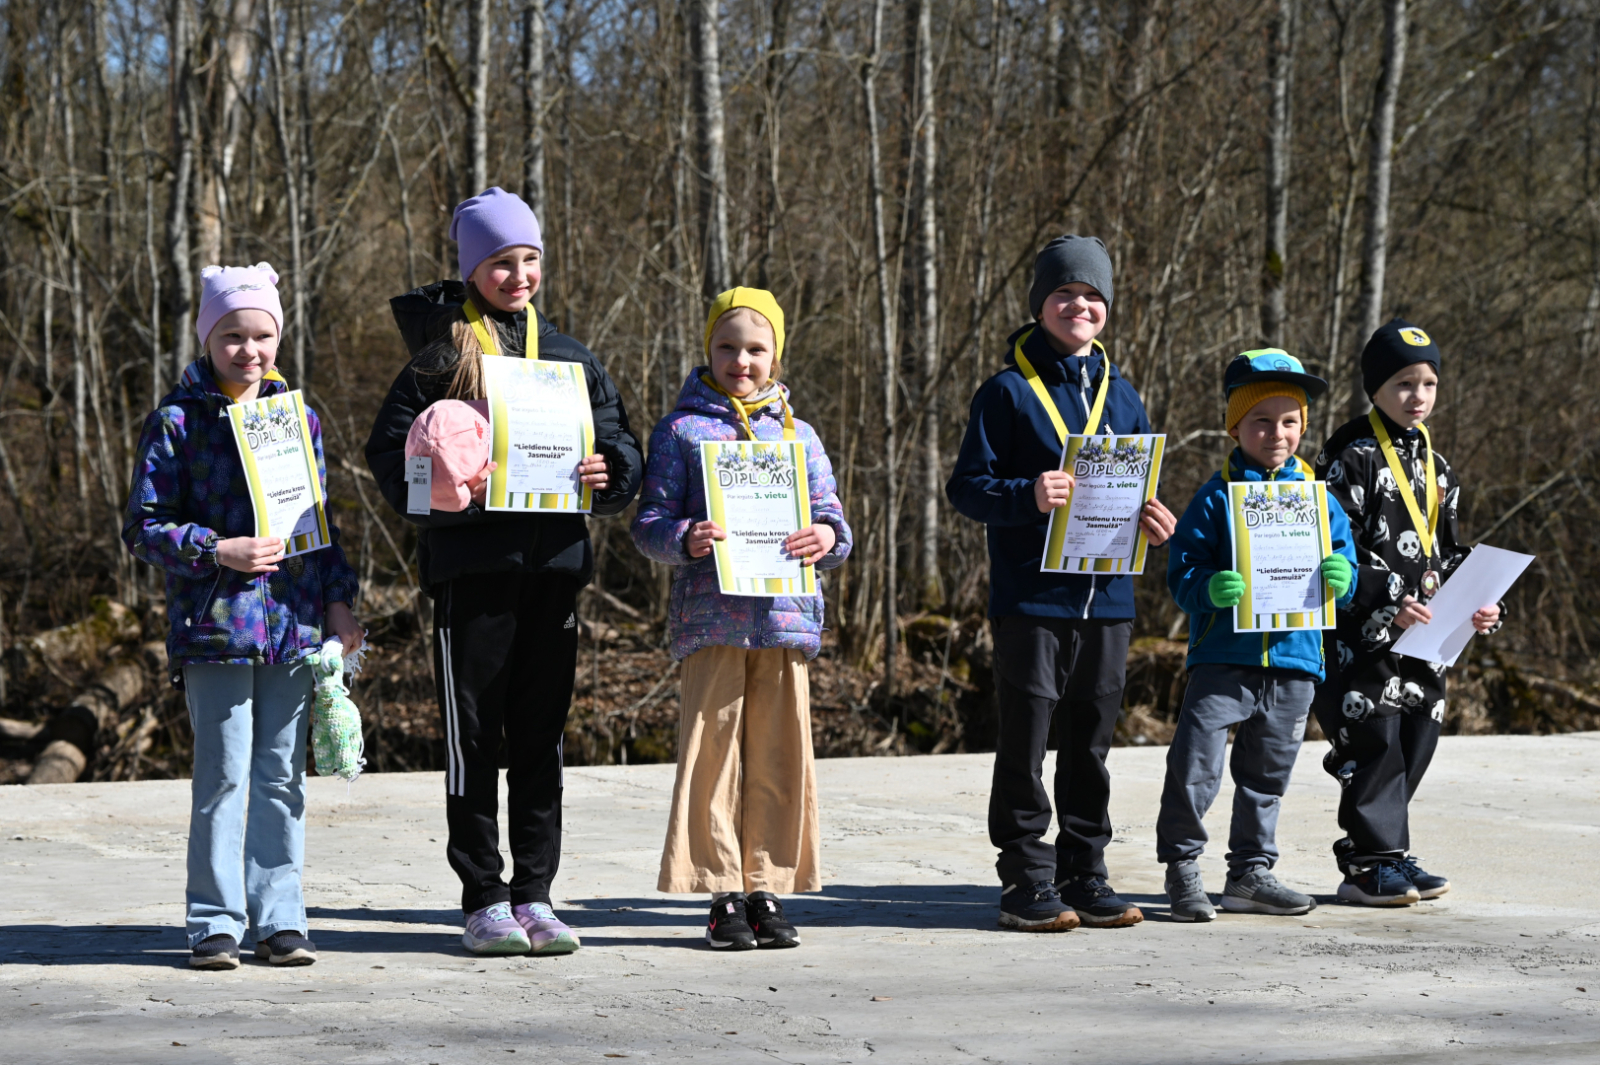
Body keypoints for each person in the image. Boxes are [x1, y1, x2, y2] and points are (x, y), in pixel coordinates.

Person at [364, 187, 642, 955]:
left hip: (553, 570)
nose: (517, 275)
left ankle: (537, 895)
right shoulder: (443, 356)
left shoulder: (570, 358)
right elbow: (390, 458)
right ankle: (483, 896)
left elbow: (624, 447)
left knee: (542, 739)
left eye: (529, 260)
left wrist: (607, 469)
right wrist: (448, 490)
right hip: (472, 572)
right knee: (475, 737)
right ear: (471, 270)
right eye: (500, 263)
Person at [123, 262, 364, 970]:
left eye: (262, 335)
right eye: (233, 335)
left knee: (283, 775)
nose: (249, 349)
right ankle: (214, 921)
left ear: (279, 339)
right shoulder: (175, 419)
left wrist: (340, 606)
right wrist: (214, 549)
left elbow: (322, 527)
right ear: (208, 337)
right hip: (214, 629)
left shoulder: (301, 420)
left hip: (291, 629)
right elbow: (143, 526)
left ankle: (281, 917)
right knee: (223, 774)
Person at [946, 236, 1178, 932]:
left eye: (1093, 296)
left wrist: (1153, 519)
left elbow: (1136, 488)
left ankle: (1086, 870)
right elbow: (967, 489)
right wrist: (1027, 493)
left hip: (1108, 596)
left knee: (1091, 742)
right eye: (1065, 294)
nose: (1080, 305)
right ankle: (1024, 876)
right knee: (1027, 738)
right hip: (1033, 598)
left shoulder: (1125, 395)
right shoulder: (1007, 392)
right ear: (1041, 305)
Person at [630, 287, 852, 950]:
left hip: (784, 622)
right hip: (712, 622)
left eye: (756, 349)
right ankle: (721, 889)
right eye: (726, 347)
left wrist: (827, 537)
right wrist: (686, 537)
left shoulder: (800, 435)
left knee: (779, 757)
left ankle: (767, 886)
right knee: (713, 758)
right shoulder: (680, 430)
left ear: (777, 354)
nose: (741, 361)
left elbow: (833, 521)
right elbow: (648, 525)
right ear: (708, 349)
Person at [1158, 351, 1358, 921]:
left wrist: (1343, 580)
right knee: (1195, 765)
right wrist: (1207, 588)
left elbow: (1342, 564)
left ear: (1303, 427)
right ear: (1236, 427)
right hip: (1225, 655)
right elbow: (1183, 572)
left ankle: (1249, 873)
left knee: (1268, 774)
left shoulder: (1319, 499)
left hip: (1297, 658)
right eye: (1262, 421)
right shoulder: (1215, 497)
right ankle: (1182, 867)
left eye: (1289, 421)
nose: (1277, 433)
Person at [1311, 319, 1501, 905]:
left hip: (1429, 630)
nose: (1417, 397)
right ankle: (1368, 863)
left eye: (1428, 384)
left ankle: (1390, 852)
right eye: (1402, 384)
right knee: (1372, 741)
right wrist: (1386, 600)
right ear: (1374, 387)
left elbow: (1446, 545)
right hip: (1364, 630)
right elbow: (1329, 544)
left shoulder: (1437, 465)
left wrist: (1480, 598)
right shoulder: (1352, 452)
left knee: (1418, 737)